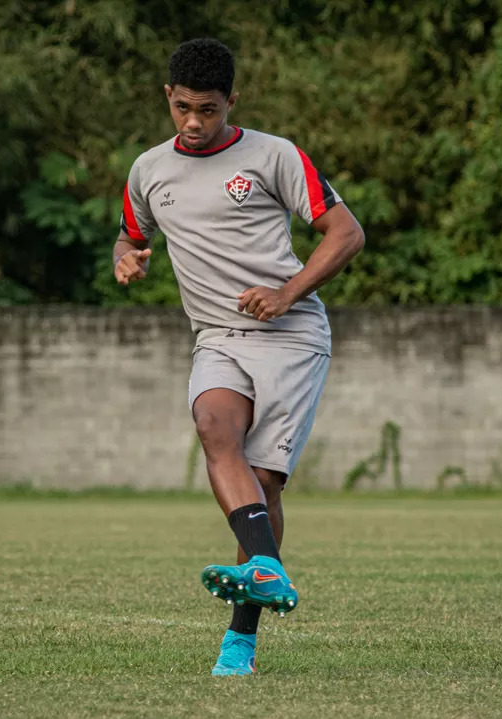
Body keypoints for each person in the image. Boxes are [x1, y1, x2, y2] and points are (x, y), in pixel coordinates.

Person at [112, 38, 365, 676]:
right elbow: (132, 230)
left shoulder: (274, 155)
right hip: (217, 337)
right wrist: (126, 255)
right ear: (167, 97)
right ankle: (266, 567)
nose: (194, 124)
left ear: (233, 101)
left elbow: (347, 233)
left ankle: (241, 637)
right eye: (183, 109)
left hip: (292, 334)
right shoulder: (147, 170)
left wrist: (286, 292)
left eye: (209, 110)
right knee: (213, 426)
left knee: (264, 484)